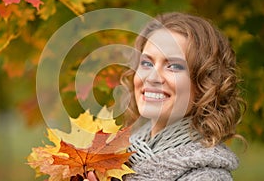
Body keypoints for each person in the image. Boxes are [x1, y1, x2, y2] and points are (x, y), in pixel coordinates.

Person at [87, 12, 245, 181]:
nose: (152, 77)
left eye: (174, 66)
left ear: (205, 84)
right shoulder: (113, 159)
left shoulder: (209, 177)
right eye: (147, 63)